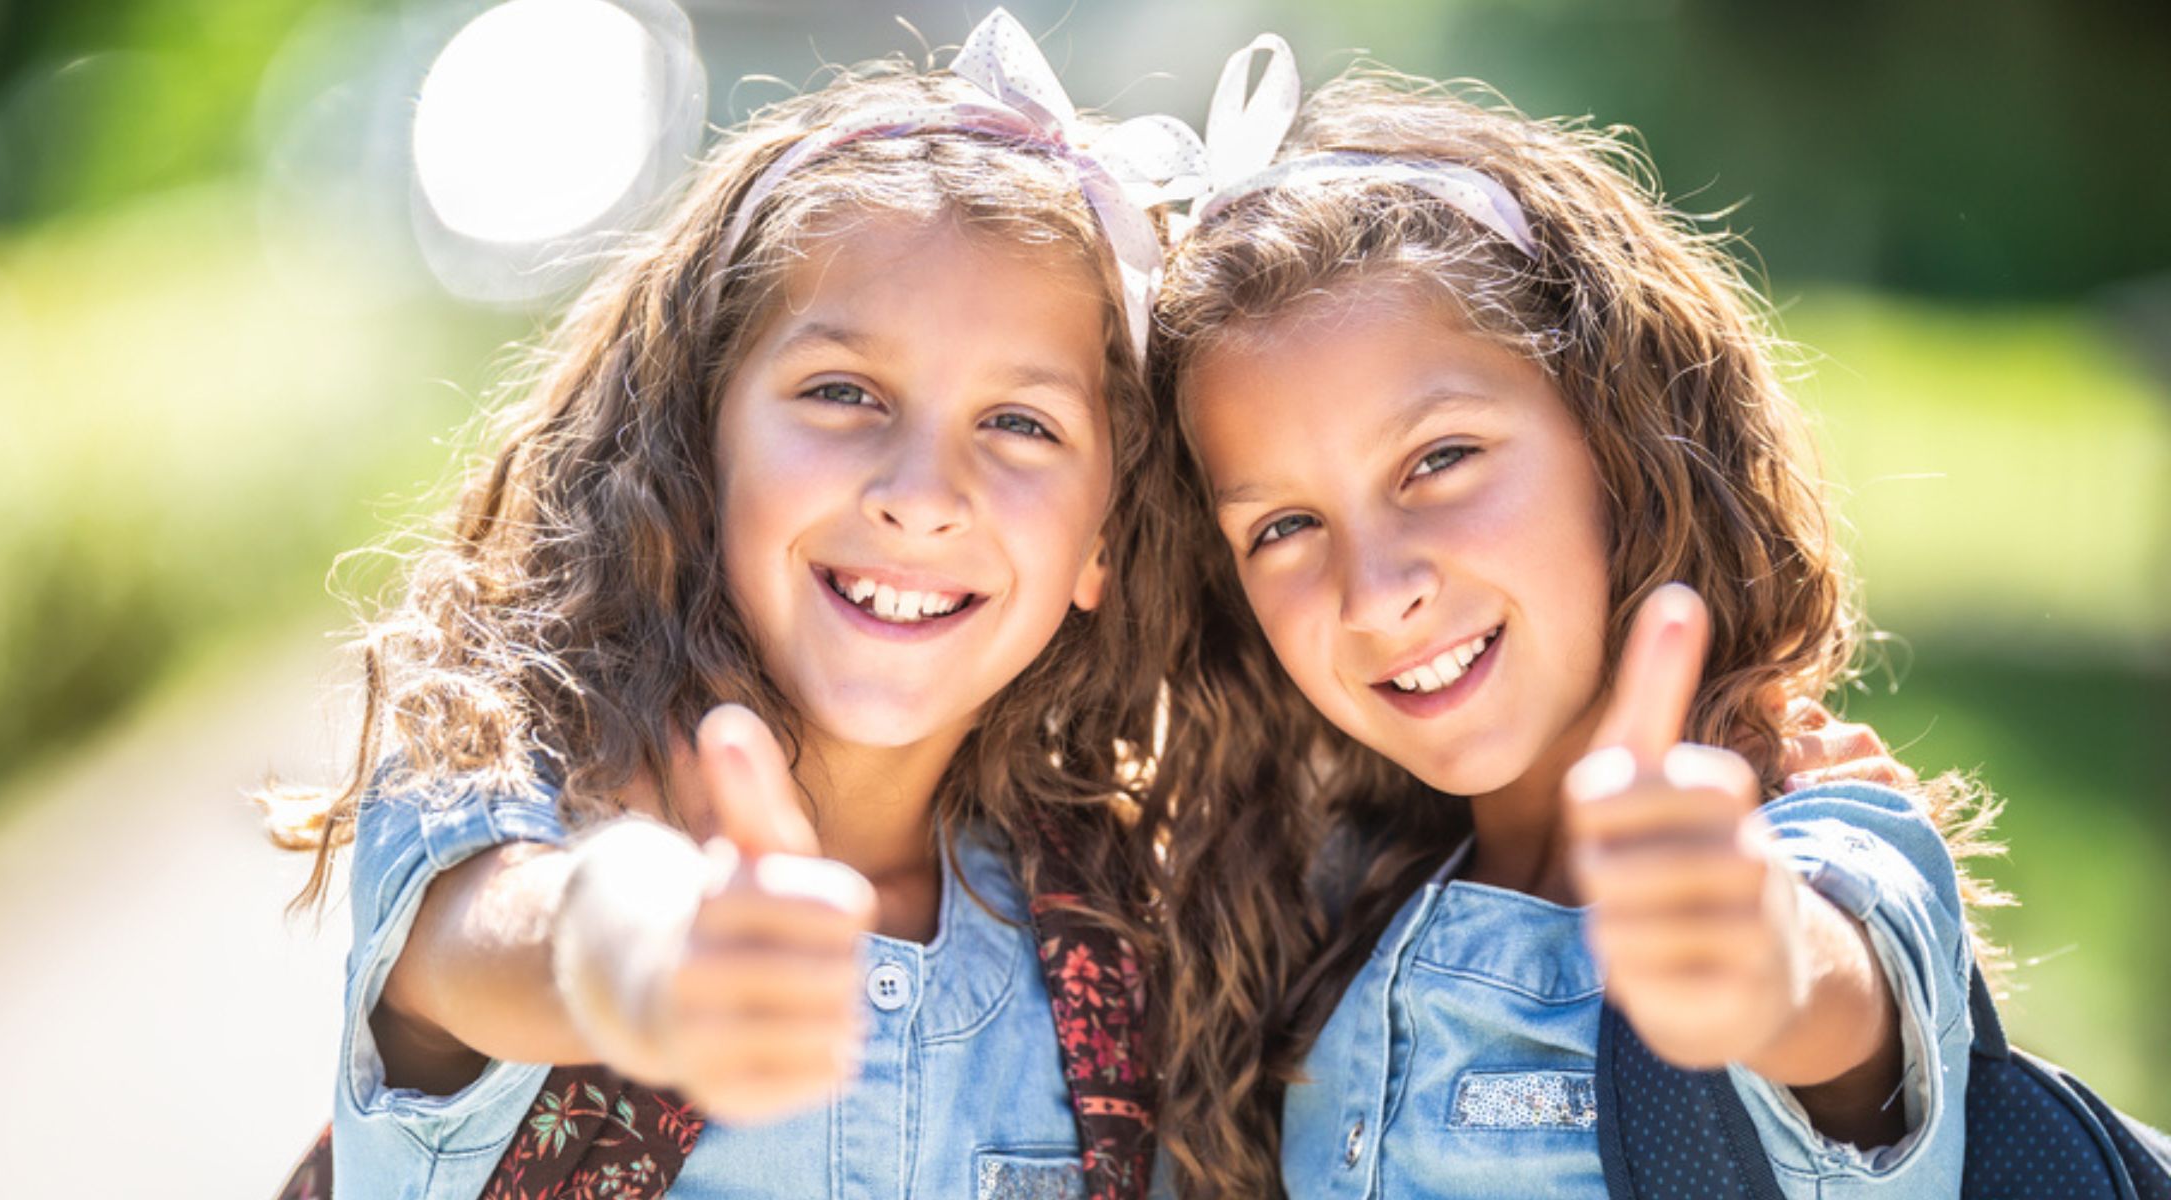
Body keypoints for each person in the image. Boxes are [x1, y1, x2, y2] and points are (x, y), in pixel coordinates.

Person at [258, 12, 1204, 1198]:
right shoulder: (510, 790)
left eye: (1021, 423)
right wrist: (652, 950)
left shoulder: (1127, 944)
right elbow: (504, 934)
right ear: (698, 446)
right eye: (843, 392)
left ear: (1102, 539)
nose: (922, 496)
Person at [1139, 43, 2003, 1199]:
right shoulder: (1323, 905)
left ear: (1617, 440)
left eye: (1439, 459)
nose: (1376, 591)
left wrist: (1747, 945)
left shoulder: (1807, 831)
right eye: (1285, 526)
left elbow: (1833, 990)